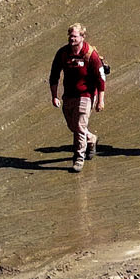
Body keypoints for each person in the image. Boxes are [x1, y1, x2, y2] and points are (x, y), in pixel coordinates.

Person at [47, 23, 108, 170]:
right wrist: (54, 96)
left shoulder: (90, 55)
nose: (71, 39)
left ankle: (78, 158)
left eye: (74, 36)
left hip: (86, 95)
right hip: (68, 95)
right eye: (70, 36)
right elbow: (54, 75)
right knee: (73, 126)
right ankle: (91, 139)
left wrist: (101, 100)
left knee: (80, 126)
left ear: (82, 37)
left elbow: (101, 79)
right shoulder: (63, 53)